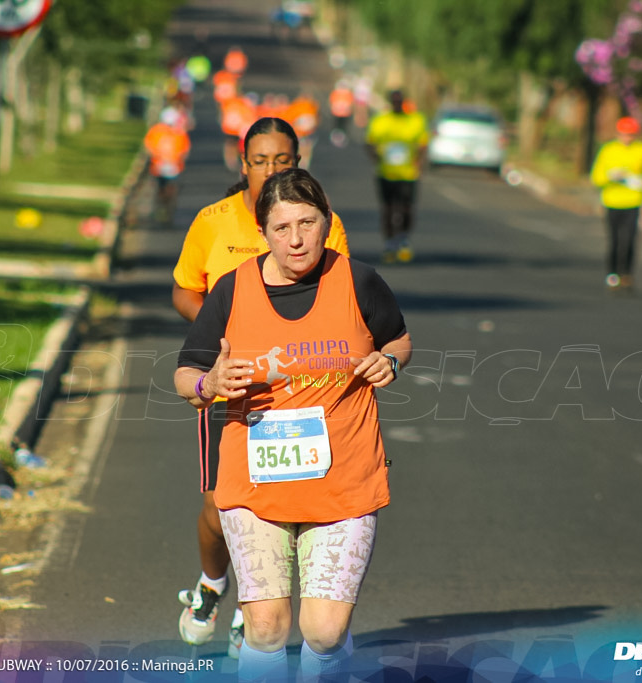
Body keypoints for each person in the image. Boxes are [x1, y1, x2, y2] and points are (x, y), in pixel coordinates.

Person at [174, 168, 412, 681]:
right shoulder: (232, 291)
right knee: (265, 627)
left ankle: (331, 655)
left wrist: (389, 362)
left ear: (327, 224)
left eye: (308, 223)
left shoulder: (358, 280)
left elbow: (397, 338)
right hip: (256, 486)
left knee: (324, 632)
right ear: (263, 233)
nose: (296, 238)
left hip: (343, 483)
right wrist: (208, 383)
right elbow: (186, 373)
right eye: (282, 228)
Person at [171, 118, 351, 658]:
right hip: (231, 388)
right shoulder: (213, 222)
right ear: (242, 162)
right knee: (219, 508)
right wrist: (221, 332)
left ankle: (257, 611)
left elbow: (343, 296)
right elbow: (184, 291)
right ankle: (212, 585)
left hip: (303, 393)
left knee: (290, 506)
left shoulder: (324, 223)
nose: (271, 169)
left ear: (299, 162)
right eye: (260, 160)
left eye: (284, 160)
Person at [590, 116, 642, 292]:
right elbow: (596, 177)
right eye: (624, 134)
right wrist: (611, 177)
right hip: (612, 201)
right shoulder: (608, 150)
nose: (627, 138)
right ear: (618, 133)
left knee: (629, 239)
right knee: (614, 240)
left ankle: (627, 274)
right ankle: (612, 274)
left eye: (630, 134)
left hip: (633, 201)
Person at [365, 89, 429, 263]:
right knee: (388, 208)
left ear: (404, 102)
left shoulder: (415, 120)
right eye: (394, 101)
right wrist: (376, 158)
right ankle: (390, 243)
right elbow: (370, 142)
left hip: (408, 173)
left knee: (407, 208)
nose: (397, 105)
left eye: (399, 101)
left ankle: (403, 238)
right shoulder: (380, 121)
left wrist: (419, 161)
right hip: (386, 172)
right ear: (389, 103)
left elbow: (423, 143)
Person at [143, 107, 191, 225]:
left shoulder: (179, 133)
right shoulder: (156, 131)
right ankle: (160, 209)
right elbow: (148, 145)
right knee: (161, 189)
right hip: (159, 166)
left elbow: (185, 149)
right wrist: (156, 157)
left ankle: (169, 211)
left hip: (174, 167)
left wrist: (179, 159)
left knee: (172, 190)